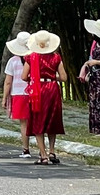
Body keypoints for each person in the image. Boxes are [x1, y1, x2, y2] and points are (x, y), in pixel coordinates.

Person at [23, 30, 67, 164]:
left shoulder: (31, 57)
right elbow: (64, 78)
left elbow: (24, 76)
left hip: (38, 90)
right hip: (53, 89)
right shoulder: (56, 57)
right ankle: (52, 151)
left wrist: (36, 77)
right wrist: (52, 77)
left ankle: (43, 155)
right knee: (52, 120)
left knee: (38, 120)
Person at [1, 31, 32, 158]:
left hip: (19, 95)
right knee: (35, 122)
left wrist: (4, 98)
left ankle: (26, 150)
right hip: (33, 93)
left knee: (23, 123)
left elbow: (8, 82)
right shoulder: (34, 60)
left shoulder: (12, 61)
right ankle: (44, 151)